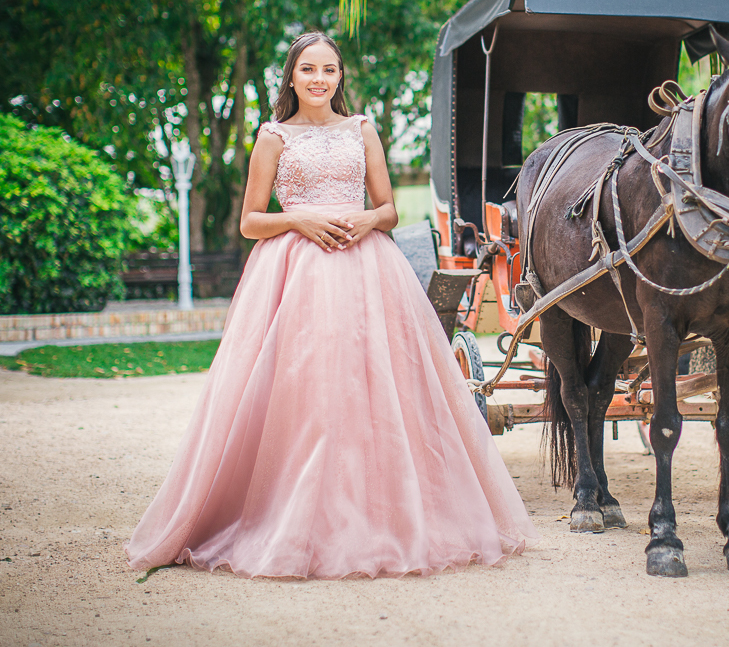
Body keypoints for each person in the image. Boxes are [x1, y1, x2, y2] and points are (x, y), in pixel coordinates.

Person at [126, 32, 537, 579]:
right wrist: (300, 218)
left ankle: (386, 515)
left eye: (329, 70)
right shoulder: (273, 137)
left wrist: (364, 219)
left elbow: (388, 208)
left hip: (367, 269)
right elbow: (250, 222)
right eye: (307, 70)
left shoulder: (361, 129)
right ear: (291, 77)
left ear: (340, 77)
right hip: (295, 274)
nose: (319, 80)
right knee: (306, 390)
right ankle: (292, 516)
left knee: (375, 387)